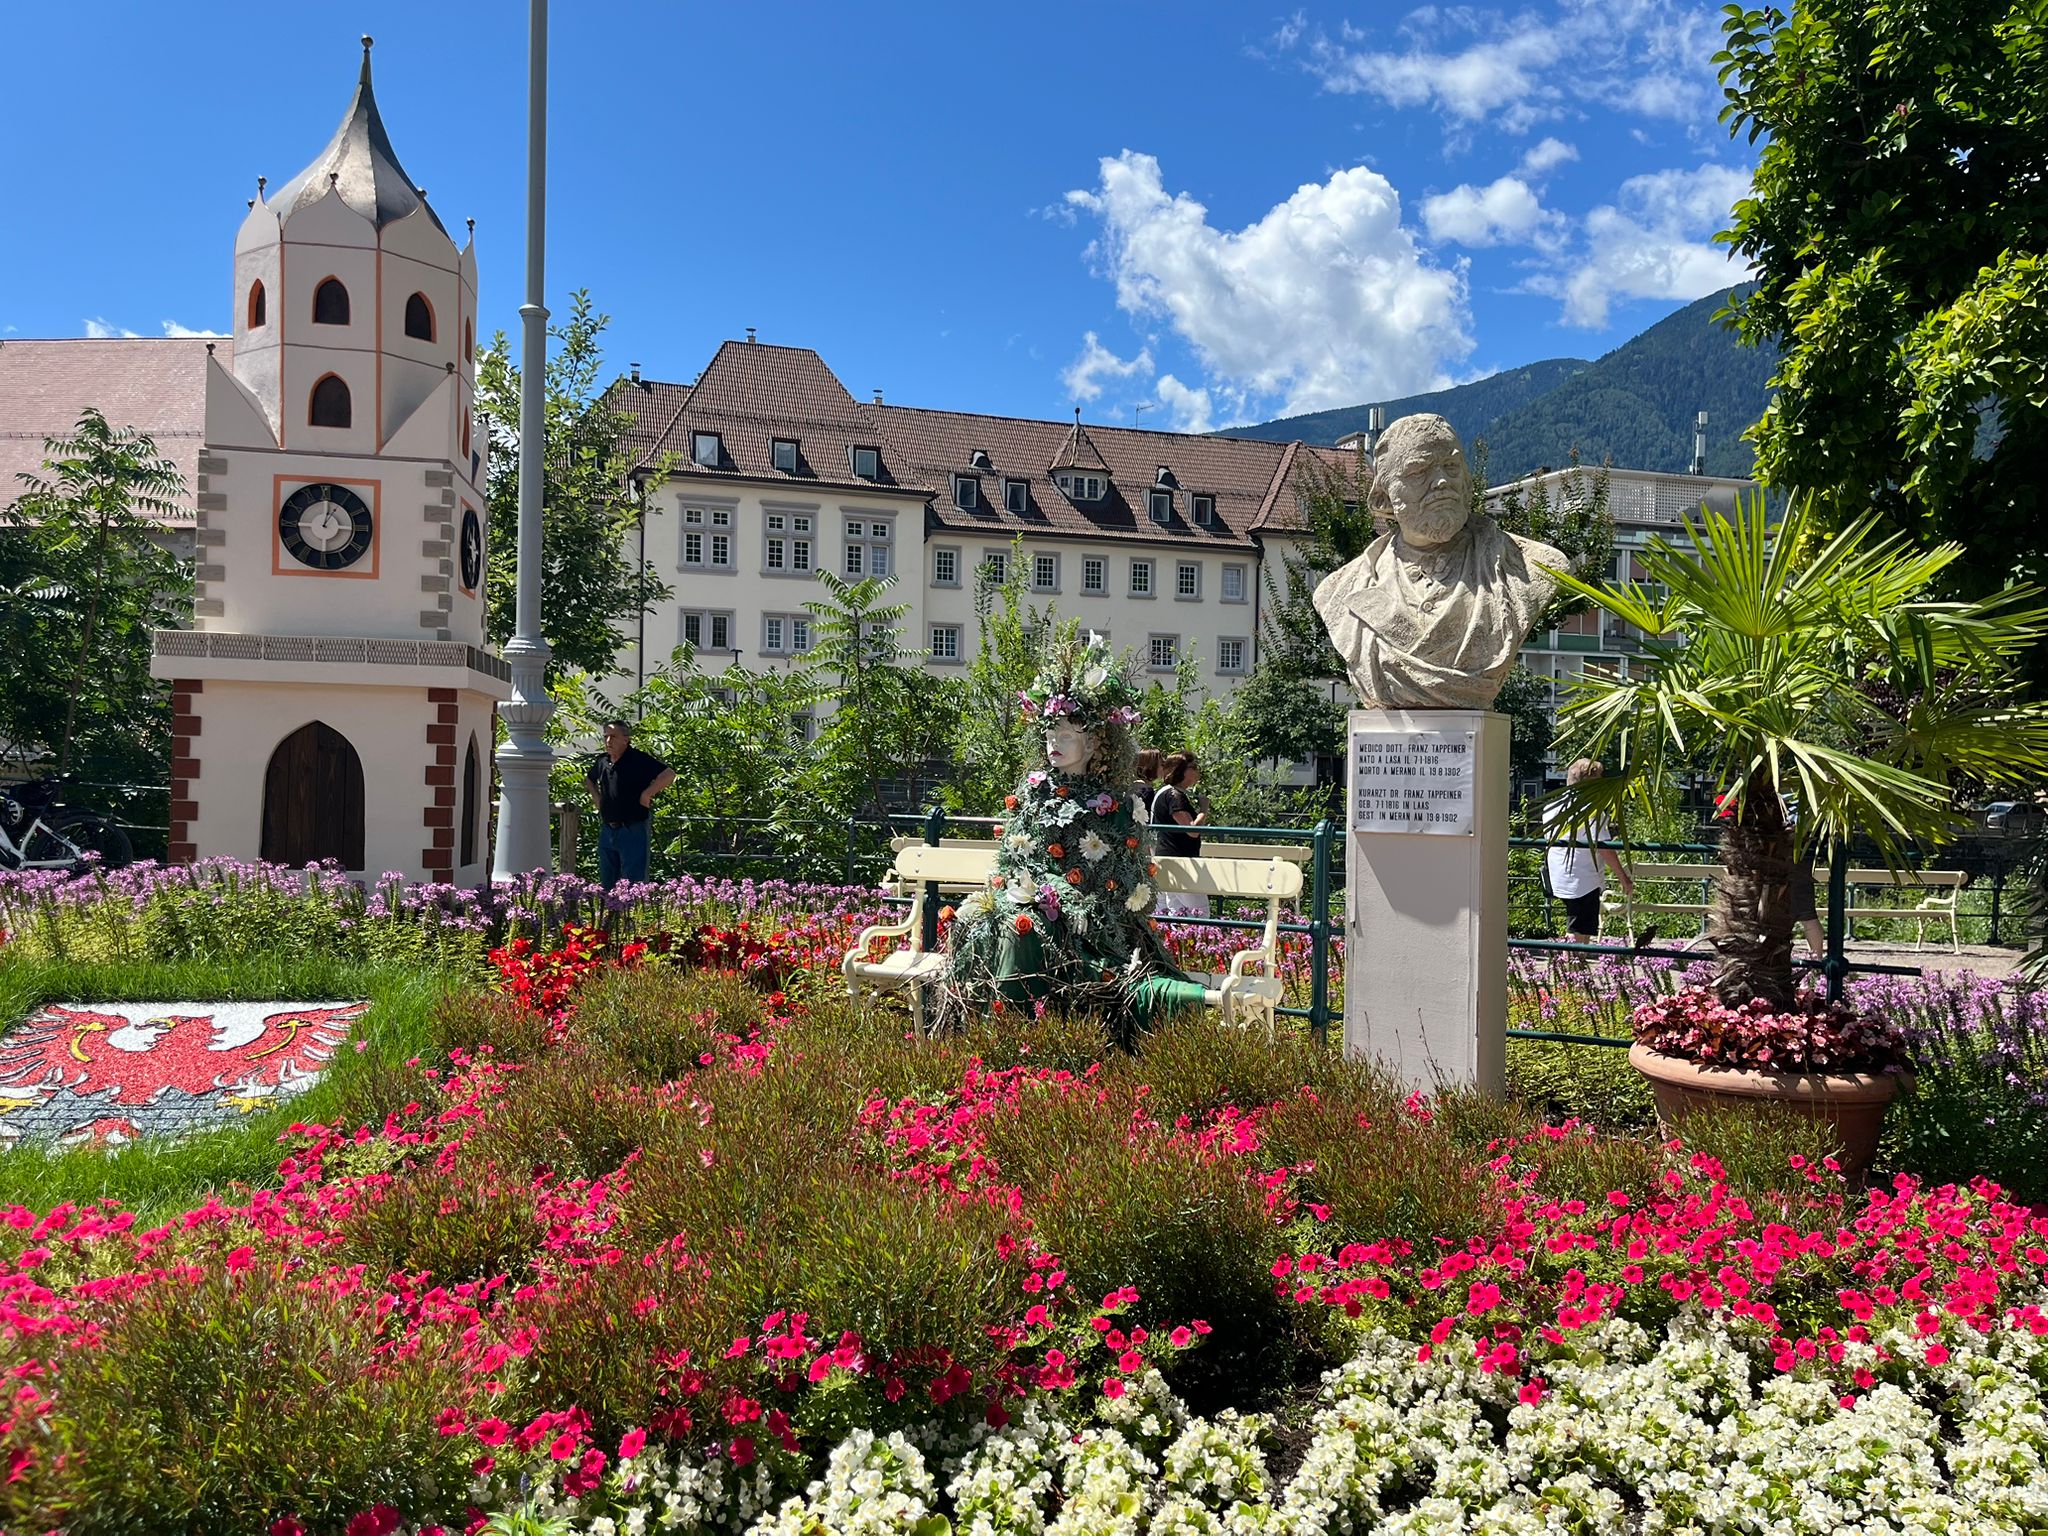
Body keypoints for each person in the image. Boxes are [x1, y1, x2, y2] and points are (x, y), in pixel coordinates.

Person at [1312, 413, 1566, 709]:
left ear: (1467, 479)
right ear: (1384, 496)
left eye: (1451, 466)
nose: (1442, 481)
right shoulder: (1341, 589)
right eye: (1419, 472)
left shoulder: (1530, 567)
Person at [1545, 758, 1634, 939]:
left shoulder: (1551, 807)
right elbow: (1605, 849)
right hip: (1583, 879)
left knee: (1579, 926)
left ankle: (1576, 963)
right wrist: (1623, 878)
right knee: (1577, 930)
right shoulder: (1592, 812)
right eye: (1600, 778)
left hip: (1558, 875)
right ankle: (1571, 964)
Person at [585, 719, 674, 889]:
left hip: (633, 827)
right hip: (608, 828)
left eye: (613, 737)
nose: (608, 741)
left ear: (626, 739)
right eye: (605, 737)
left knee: (634, 882)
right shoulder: (603, 761)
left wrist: (647, 794)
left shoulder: (638, 759)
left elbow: (669, 774)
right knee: (607, 881)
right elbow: (590, 779)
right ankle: (610, 914)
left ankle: (632, 914)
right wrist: (597, 798)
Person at [1151, 752, 1210, 918]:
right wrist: (1203, 809)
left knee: (1176, 913)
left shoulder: (1165, 792)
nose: (1197, 772)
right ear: (1182, 771)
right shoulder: (1175, 795)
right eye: (1194, 767)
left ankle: (1175, 944)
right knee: (1199, 912)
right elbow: (1192, 830)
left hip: (1167, 860)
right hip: (1180, 861)